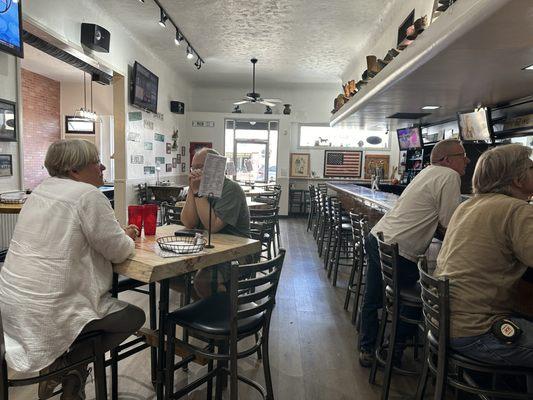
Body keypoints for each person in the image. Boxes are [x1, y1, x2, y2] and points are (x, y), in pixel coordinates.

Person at [0, 139, 145, 400]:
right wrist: (128, 238)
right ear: (75, 171)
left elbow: (69, 239)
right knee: (134, 317)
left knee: (87, 324)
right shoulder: (88, 195)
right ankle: (69, 367)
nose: (102, 166)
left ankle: (66, 370)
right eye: (96, 161)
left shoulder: (40, 192)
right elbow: (119, 251)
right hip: (51, 310)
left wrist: (116, 235)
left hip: (12, 308)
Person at [358, 138, 469, 367]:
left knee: (373, 296)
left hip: (379, 236)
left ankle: (367, 348)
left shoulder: (426, 172)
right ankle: (393, 350)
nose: (467, 160)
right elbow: (449, 223)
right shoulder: (450, 176)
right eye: (462, 155)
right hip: (401, 248)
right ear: (447, 160)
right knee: (419, 299)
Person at [434, 144, 533, 367]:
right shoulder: (517, 210)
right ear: (518, 180)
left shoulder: (467, 206)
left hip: (442, 322)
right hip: (478, 332)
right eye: (532, 168)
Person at [180, 147, 250, 298]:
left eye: (200, 167)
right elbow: (188, 222)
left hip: (236, 253)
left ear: (215, 167)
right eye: (193, 167)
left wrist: (198, 193)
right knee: (170, 276)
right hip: (207, 251)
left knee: (203, 281)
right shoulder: (199, 187)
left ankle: (221, 312)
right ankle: (209, 302)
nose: (195, 172)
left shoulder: (231, 189)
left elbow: (214, 227)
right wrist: (193, 191)